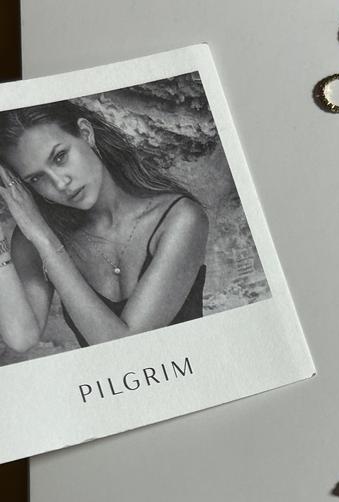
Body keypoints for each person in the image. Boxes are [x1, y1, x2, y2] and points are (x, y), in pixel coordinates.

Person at [0, 100, 209, 352]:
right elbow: (21, 337)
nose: (60, 183)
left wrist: (46, 240)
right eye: (36, 178)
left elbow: (126, 347)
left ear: (86, 133)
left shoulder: (181, 218)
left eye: (60, 157)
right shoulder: (36, 236)